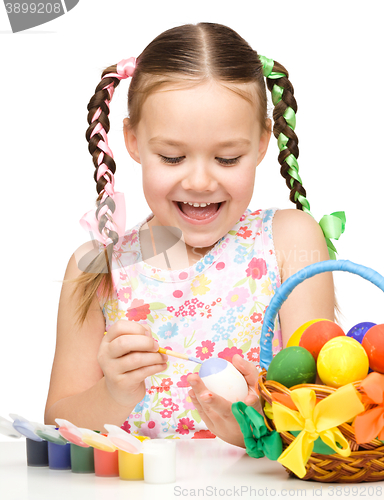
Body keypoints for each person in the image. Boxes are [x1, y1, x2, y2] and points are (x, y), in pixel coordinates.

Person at [44, 22, 341, 447]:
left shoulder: (290, 240)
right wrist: (112, 393)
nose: (200, 181)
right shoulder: (95, 267)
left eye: (226, 158)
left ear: (261, 144)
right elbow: (57, 423)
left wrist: (253, 429)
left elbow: (328, 409)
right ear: (132, 141)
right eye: (172, 156)